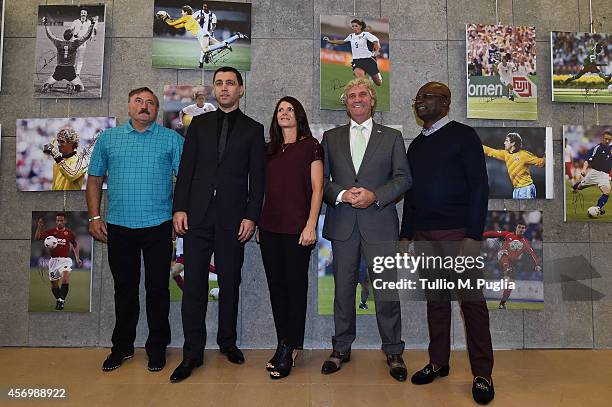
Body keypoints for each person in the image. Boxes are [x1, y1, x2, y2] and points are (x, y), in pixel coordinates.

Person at [400, 82, 494, 405]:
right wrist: (405, 235)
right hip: (425, 235)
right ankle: (438, 361)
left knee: (472, 304)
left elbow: (479, 188)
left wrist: (473, 236)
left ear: (445, 102)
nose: (419, 102)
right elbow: (411, 196)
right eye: (417, 98)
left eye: (425, 97)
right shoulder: (415, 146)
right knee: (436, 302)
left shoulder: (464, 136)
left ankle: (482, 373)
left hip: (458, 235)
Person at [170, 66, 265, 383]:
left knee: (230, 281)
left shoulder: (254, 129)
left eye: (230, 84)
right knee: (193, 284)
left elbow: (258, 180)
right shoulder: (198, 124)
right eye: (219, 83)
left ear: (242, 89)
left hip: (233, 219)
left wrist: (251, 216)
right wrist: (179, 208)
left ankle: (228, 342)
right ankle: (192, 352)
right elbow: (186, 170)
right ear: (214, 89)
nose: (224, 88)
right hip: (196, 217)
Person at [86, 87, 184, 373]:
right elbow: (94, 180)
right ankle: (122, 347)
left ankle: (157, 348)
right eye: (139, 102)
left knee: (157, 289)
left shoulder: (171, 139)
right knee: (124, 289)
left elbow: (187, 180)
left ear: (156, 110)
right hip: (119, 226)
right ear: (129, 107)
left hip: (159, 226)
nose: (145, 106)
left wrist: (179, 215)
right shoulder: (109, 139)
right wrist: (94, 218)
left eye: (151, 103)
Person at [320, 77, 411, 382]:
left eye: (362, 94)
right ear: (345, 102)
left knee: (386, 291)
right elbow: (323, 181)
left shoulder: (393, 137)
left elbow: (403, 178)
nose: (356, 98)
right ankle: (341, 348)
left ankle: (394, 350)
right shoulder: (330, 138)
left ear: (373, 100)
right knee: (343, 291)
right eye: (351, 95)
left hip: (380, 223)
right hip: (343, 224)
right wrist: (344, 195)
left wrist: (376, 195)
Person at [257, 96, 323, 379]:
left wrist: (311, 225)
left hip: (298, 229)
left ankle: (290, 347)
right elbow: (262, 190)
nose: (285, 113)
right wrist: (259, 224)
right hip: (270, 228)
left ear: (299, 116)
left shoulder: (310, 146)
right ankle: (284, 343)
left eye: (290, 110)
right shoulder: (268, 150)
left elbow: (318, 189)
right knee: (277, 289)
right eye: (280, 110)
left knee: (295, 289)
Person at [483, 223, 542, 309]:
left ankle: (502, 303)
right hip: (501, 260)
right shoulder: (508, 234)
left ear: (525, 230)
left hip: (512, 264)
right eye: (519, 227)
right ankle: (507, 269)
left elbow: (532, 253)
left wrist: (537, 265)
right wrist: (481, 234)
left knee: (509, 286)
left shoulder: (525, 242)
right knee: (503, 253)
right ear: (516, 228)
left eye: (523, 228)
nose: (521, 229)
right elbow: (494, 233)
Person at [34, 213, 82, 311]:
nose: (59, 222)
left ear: (65, 221)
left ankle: (61, 301)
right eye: (57, 220)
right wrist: (39, 226)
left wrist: (77, 258)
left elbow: (75, 244)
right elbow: (38, 237)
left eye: (61, 220)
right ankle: (60, 300)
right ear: (56, 221)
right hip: (53, 261)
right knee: (54, 284)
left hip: (65, 260)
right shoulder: (51, 232)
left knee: (64, 279)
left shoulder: (69, 233)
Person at [40, 15, 95, 93]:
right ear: (72, 36)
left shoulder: (58, 42)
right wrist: (92, 25)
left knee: (46, 83)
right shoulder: (75, 43)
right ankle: (74, 87)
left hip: (59, 69)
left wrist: (45, 24)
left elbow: (50, 35)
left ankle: (48, 86)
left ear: (64, 36)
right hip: (70, 70)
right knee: (82, 88)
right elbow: (86, 36)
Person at [482, 132, 545, 199]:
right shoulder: (505, 154)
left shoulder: (524, 155)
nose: (504, 143)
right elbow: (491, 151)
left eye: (506, 141)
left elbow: (541, 163)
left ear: (513, 143)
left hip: (526, 188)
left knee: (528, 209)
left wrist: (547, 152)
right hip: (516, 190)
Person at [323, 19, 383, 86]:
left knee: (378, 83)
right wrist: (330, 41)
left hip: (368, 60)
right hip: (357, 61)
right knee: (360, 81)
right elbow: (343, 41)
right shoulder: (351, 36)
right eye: (353, 26)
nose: (354, 28)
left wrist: (377, 51)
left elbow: (376, 42)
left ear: (360, 26)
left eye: (356, 26)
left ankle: (378, 76)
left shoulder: (366, 34)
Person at [572, 130, 612, 215]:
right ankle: (576, 186)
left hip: (604, 175)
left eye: (609, 139)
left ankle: (598, 208)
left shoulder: (611, 149)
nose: (607, 141)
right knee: (580, 187)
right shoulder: (597, 148)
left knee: (607, 191)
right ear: (602, 138)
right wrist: (583, 169)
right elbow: (588, 160)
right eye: (606, 139)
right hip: (594, 173)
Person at [70, 9, 98, 76]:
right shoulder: (75, 21)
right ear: (80, 14)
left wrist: (92, 36)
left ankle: (78, 73)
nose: (83, 14)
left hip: (83, 42)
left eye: (84, 13)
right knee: (72, 57)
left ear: (86, 14)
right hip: (74, 41)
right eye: (82, 13)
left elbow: (91, 31)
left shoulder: (89, 22)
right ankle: (71, 71)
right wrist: (73, 33)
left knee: (80, 58)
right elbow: (70, 30)